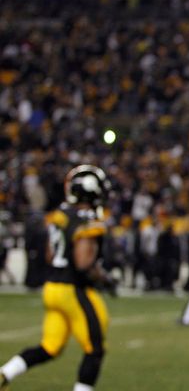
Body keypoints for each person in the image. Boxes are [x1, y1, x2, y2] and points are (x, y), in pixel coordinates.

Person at [0, 165, 113, 391]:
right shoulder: (88, 222)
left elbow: (50, 254)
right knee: (95, 349)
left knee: (50, 347)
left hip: (52, 288)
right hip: (74, 290)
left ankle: (4, 374)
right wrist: (102, 277)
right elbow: (82, 263)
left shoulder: (59, 216)